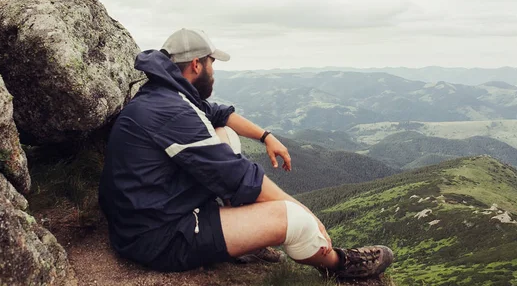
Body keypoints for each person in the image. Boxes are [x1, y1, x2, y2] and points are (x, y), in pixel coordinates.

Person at [99, 29, 393, 278]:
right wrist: (309, 215)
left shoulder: (166, 94)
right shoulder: (170, 111)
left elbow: (220, 114)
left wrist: (267, 136)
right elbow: (239, 176)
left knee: (224, 134)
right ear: (197, 65)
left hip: (149, 212)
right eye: (213, 64)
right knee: (292, 219)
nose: (214, 71)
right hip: (159, 237)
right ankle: (340, 266)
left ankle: (244, 241)